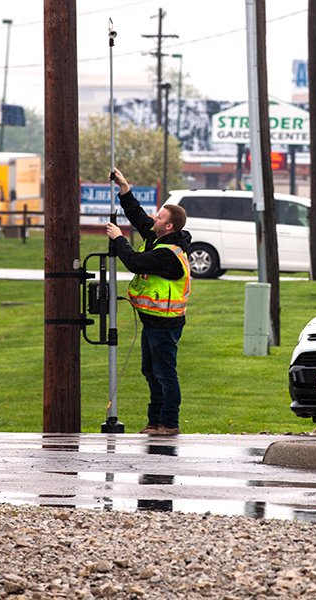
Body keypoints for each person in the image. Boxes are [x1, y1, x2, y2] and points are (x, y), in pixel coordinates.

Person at [105, 168, 192, 435]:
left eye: (161, 217)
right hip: (152, 322)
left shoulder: (168, 255)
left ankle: (169, 423)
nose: (155, 218)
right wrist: (124, 188)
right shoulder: (158, 237)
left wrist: (119, 239)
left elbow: (134, 262)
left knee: (165, 374)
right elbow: (139, 217)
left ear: (169, 226)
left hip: (165, 324)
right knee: (150, 372)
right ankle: (154, 422)